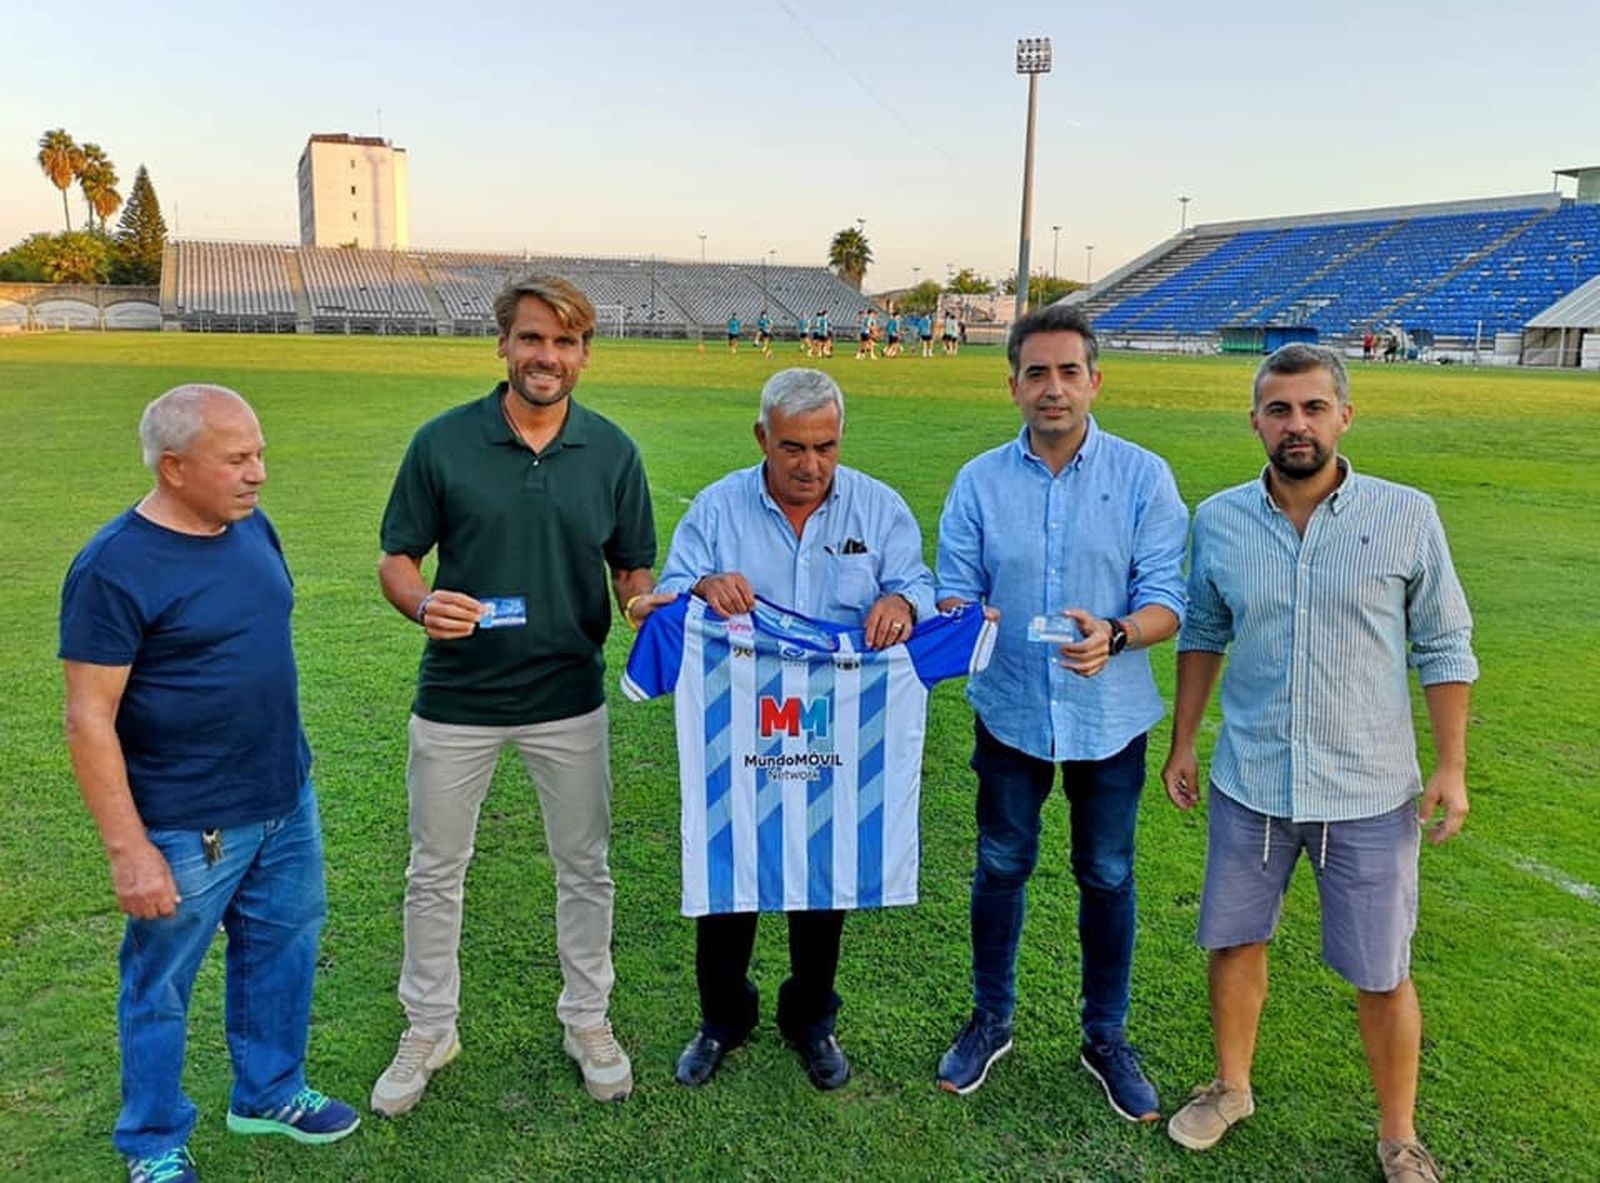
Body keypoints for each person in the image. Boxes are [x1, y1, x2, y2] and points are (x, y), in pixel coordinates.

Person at [1160, 343, 1477, 1183]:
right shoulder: (1221, 519)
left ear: (1344, 415)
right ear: (1255, 420)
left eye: (1311, 408)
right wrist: (1185, 740)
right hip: (1252, 779)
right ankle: (1230, 1086)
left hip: (1368, 788)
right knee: (1232, 942)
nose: (1295, 425)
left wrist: (1452, 766)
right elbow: (1202, 632)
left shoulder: (1407, 514)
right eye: (1278, 409)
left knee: (1382, 970)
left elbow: (1445, 643)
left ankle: (1399, 1133)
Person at [371, 274, 658, 1114]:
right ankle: (429, 1024)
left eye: (565, 343)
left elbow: (630, 565)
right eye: (533, 338)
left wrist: (640, 600)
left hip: (570, 695)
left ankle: (587, 1018)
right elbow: (397, 557)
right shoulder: (443, 442)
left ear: (585, 355)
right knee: (435, 870)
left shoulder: (611, 451)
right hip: (457, 697)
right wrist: (422, 602)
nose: (548, 357)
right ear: (503, 344)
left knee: (586, 868)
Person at [61, 385, 358, 1183]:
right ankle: (153, 1140)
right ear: (174, 466)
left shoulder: (251, 526)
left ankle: (269, 1090)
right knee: (159, 983)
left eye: (259, 452)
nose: (259, 472)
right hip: (187, 825)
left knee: (283, 951)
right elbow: (88, 717)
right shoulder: (114, 567)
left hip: (283, 800)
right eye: (238, 459)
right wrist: (130, 851)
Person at [648, 367, 936, 1091]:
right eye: (792, 448)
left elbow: (922, 587)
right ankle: (722, 1018)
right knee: (730, 871)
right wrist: (700, 586)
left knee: (824, 877)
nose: (811, 465)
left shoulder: (879, 507)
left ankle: (811, 1018)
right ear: (761, 439)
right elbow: (667, 593)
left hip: (838, 733)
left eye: (826, 446)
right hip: (742, 731)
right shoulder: (717, 508)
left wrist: (902, 597)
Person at [934, 304, 1188, 1122]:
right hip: (1009, 708)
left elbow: (1166, 601)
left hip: (1106, 714)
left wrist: (1115, 634)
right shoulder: (979, 481)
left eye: (1068, 371)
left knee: (1107, 874)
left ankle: (1105, 1035)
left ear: (1094, 381)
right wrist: (968, 616)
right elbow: (953, 586)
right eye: (1036, 373)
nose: (1053, 389)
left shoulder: (1144, 476)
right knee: (1001, 864)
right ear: (1012, 385)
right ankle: (990, 1018)